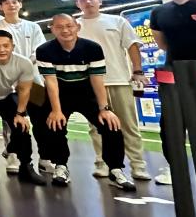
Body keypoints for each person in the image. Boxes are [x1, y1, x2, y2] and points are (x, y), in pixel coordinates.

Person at [36, 14, 135, 191]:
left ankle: (115, 170)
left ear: (77, 27)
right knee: (54, 125)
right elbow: (51, 82)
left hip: (87, 94)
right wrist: (56, 111)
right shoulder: (44, 50)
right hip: (61, 94)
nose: (65, 30)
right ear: (52, 29)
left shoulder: (92, 48)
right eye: (59, 27)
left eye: (69, 26)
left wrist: (104, 109)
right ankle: (61, 166)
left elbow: (97, 79)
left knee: (111, 125)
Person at [75, 0, 150, 180]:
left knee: (128, 125)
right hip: (90, 83)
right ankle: (102, 163)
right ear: (78, 4)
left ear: (100, 0)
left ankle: (138, 165)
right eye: (83, 0)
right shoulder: (74, 26)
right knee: (96, 127)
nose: (88, 2)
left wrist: (137, 71)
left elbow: (132, 46)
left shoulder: (117, 21)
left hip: (119, 80)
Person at [150, 0, 196, 185]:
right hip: (174, 73)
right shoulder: (159, 12)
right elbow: (162, 43)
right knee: (171, 124)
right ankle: (175, 168)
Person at [0, 30, 46, 185]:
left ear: (12, 46)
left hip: (6, 94)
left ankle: (26, 166)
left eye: (6, 46)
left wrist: (21, 114)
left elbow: (25, 89)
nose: (2, 49)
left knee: (22, 127)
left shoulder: (24, 63)